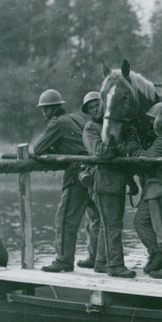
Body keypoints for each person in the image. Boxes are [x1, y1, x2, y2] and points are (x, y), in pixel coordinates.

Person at [30, 89, 101, 273]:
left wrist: (52, 147)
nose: (44, 113)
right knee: (95, 216)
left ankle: (63, 259)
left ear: (53, 109)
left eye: (45, 109)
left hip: (77, 173)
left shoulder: (57, 123)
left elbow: (37, 149)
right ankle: (97, 257)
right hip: (95, 171)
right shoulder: (76, 118)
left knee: (65, 218)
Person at [82, 92, 140, 278]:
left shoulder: (116, 125)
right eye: (90, 108)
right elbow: (101, 152)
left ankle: (101, 262)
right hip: (104, 182)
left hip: (118, 181)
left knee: (109, 225)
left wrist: (131, 182)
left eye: (97, 104)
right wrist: (120, 147)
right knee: (112, 226)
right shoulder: (90, 129)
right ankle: (115, 265)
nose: (95, 109)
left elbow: (129, 149)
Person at [129, 102, 162, 278]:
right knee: (141, 222)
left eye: (154, 120)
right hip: (153, 188)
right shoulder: (159, 138)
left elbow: (147, 158)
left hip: (161, 188)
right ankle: (158, 254)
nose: (152, 123)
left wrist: (130, 146)